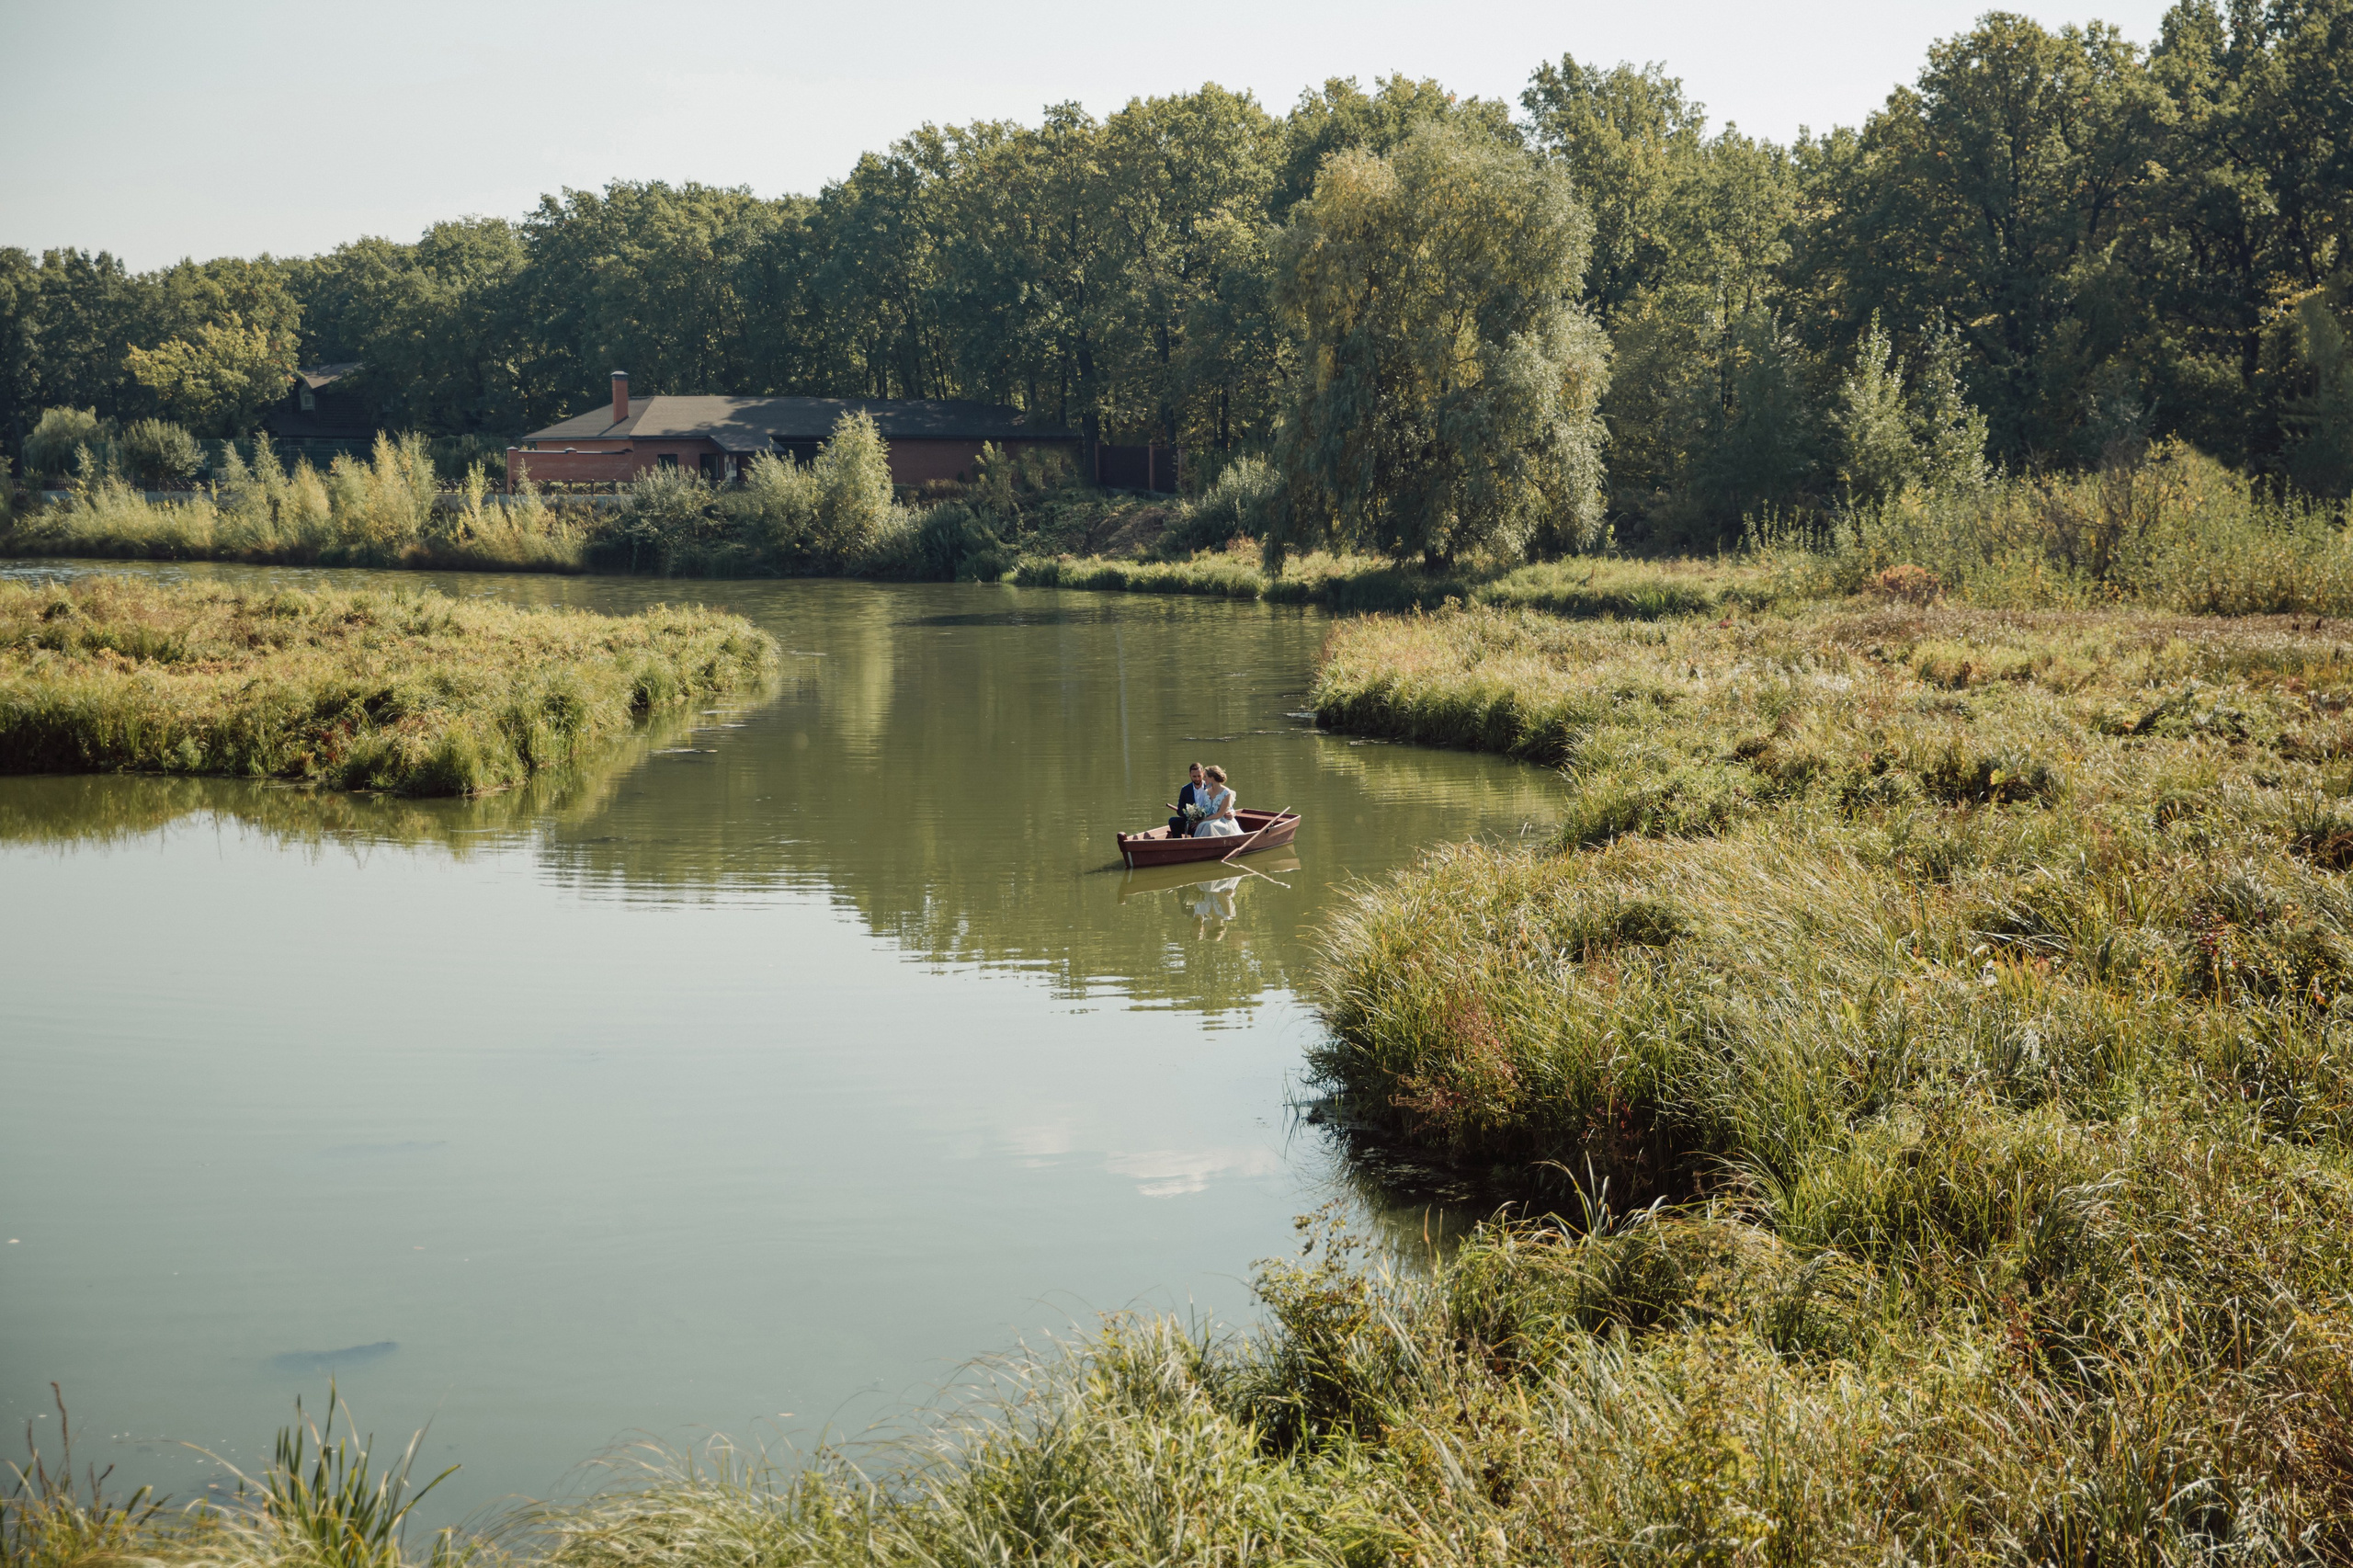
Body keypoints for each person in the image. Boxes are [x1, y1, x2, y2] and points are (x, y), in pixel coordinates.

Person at [1190, 765, 1243, 838]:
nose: (1203, 779)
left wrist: (1202, 821)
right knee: (1203, 825)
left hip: (1223, 821)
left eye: (1205, 777)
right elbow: (1205, 811)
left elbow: (1220, 814)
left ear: (1212, 778)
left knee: (1207, 825)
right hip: (1209, 820)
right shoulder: (1206, 792)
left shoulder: (1226, 793)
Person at [1168, 762, 1206, 839]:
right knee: (1173, 821)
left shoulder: (1209, 787)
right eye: (1194, 776)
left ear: (1203, 774)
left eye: (1199, 776)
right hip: (1191, 823)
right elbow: (1180, 810)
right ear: (1190, 775)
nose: (1197, 779)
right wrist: (1190, 816)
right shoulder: (1185, 789)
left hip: (1206, 821)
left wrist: (1201, 820)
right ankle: (1178, 843)